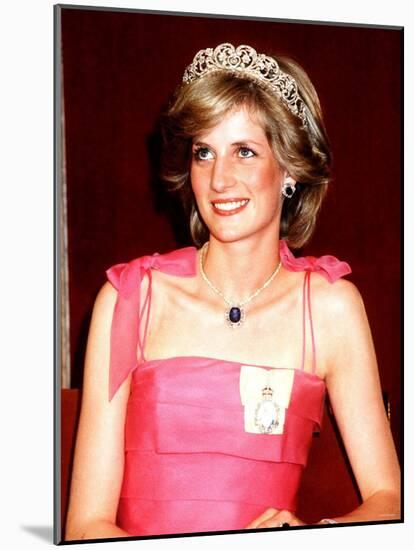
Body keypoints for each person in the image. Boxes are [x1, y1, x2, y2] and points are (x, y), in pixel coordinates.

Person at [64, 43, 400, 540]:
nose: (220, 179)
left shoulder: (331, 308)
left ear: (288, 170)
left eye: (245, 151)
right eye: (205, 152)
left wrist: (314, 535)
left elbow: (389, 499)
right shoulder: (131, 298)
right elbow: (85, 523)